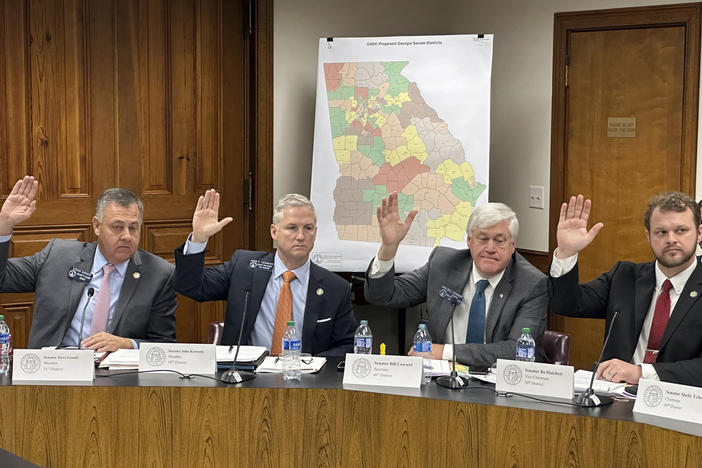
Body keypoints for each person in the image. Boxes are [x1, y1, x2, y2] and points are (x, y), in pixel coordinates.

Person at [364, 192, 548, 367]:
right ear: (469, 241)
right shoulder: (444, 265)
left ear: (513, 245)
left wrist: (445, 352)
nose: (490, 248)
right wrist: (388, 249)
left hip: (499, 383)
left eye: (499, 240)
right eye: (482, 239)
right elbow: (384, 296)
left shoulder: (532, 284)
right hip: (441, 380)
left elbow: (516, 350)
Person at [0, 176, 177, 351]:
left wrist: (127, 344)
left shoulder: (159, 274)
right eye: (117, 226)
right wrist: (4, 225)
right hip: (56, 370)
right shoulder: (57, 257)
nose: (127, 236)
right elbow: (3, 279)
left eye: (133, 227)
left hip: (118, 375)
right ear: (97, 226)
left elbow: (165, 345)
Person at [174, 190, 355, 356]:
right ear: (274, 232)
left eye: (308, 228)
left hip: (305, 382)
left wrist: (308, 365)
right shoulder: (244, 267)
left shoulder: (335, 287)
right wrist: (199, 239)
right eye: (292, 227)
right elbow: (192, 286)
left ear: (315, 233)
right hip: (246, 378)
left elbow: (346, 345)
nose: (301, 236)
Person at [550, 192, 702, 387]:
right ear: (648, 236)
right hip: (615, 397)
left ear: (698, 233)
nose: (671, 239)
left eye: (681, 230)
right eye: (661, 232)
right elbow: (566, 304)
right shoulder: (625, 276)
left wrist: (640, 373)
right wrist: (567, 252)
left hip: (677, 401)